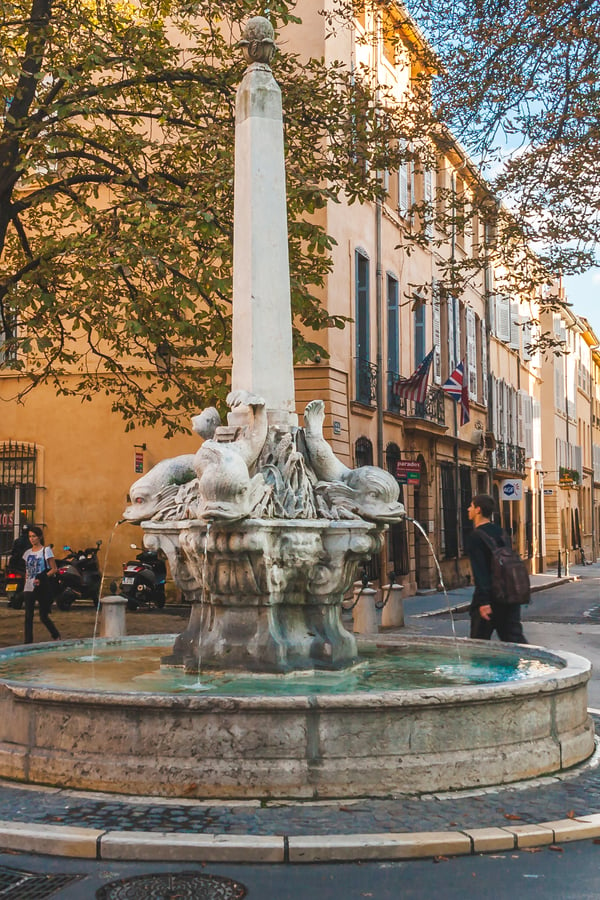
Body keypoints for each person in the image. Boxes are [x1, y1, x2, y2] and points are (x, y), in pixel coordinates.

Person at [466, 494, 527, 644]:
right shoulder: (501, 532)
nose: (468, 509)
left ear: (478, 510)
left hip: (490, 598)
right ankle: (526, 665)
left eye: (471, 506)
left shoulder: (476, 537)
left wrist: (484, 602)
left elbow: (481, 572)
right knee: (514, 641)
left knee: (479, 645)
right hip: (509, 594)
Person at [22, 526, 60, 644]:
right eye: (30, 537)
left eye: (34, 536)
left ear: (39, 537)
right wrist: (26, 584)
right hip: (29, 586)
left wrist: (42, 578)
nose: (32, 539)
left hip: (41, 586)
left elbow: (54, 569)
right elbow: (27, 571)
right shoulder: (27, 553)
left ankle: (55, 634)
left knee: (43, 615)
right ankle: (28, 642)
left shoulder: (46, 550)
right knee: (28, 616)